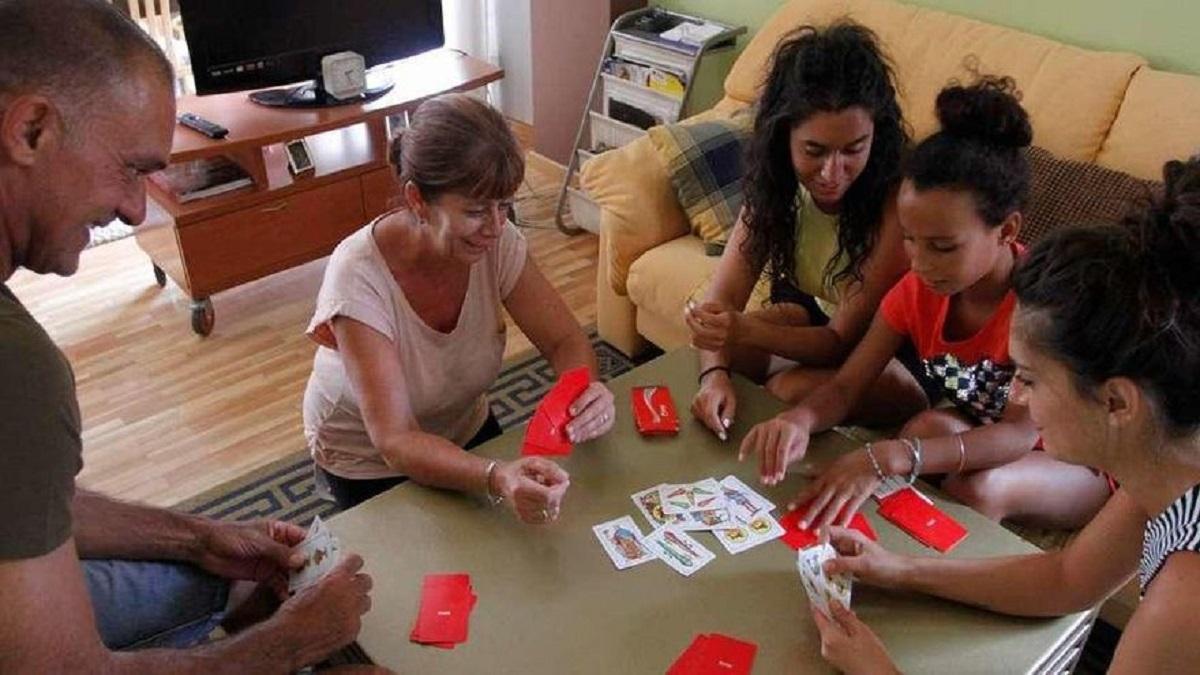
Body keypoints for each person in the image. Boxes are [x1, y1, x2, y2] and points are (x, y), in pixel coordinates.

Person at [0, 0, 374, 671]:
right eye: (132, 168)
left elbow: (28, 498)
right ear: (30, 129)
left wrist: (200, 538)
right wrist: (292, 643)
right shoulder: (16, 370)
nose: (137, 208)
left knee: (227, 576)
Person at [810, 156, 1200, 673]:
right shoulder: (1166, 458)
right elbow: (1066, 579)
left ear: (1117, 403)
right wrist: (898, 570)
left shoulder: (1185, 599)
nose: (1016, 392)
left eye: (1031, 378)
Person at [742, 78, 1111, 532]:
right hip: (980, 425)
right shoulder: (918, 289)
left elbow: (1020, 432)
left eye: (942, 246)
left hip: (1071, 453)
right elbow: (846, 386)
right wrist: (799, 420)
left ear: (1008, 231)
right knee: (923, 431)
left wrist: (893, 456)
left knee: (975, 488)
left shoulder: (1042, 303)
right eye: (911, 242)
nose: (920, 263)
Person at [302, 93, 616, 515]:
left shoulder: (498, 242)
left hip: (459, 421)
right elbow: (396, 440)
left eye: (504, 206)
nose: (496, 227)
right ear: (416, 199)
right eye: (475, 211)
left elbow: (565, 341)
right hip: (368, 459)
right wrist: (495, 475)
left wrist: (583, 392)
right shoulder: (357, 277)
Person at [687, 22, 928, 446]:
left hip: (891, 354)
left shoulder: (897, 202)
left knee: (789, 391)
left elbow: (839, 342)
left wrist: (739, 329)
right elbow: (720, 304)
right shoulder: (774, 184)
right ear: (784, 138)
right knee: (720, 357)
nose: (833, 174)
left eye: (854, 149)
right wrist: (714, 376)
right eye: (814, 151)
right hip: (817, 317)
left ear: (878, 134)